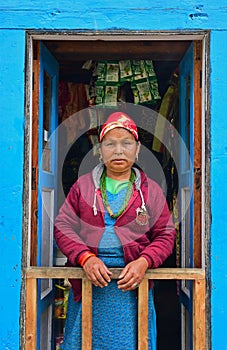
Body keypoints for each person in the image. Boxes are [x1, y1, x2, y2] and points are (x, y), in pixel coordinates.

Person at [54, 111, 176, 350]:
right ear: (100, 150)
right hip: (90, 282)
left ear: (138, 149)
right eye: (110, 144)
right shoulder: (83, 186)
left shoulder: (150, 191)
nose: (118, 151)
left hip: (132, 287)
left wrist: (144, 261)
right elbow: (63, 227)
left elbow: (165, 235)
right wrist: (85, 258)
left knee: (131, 342)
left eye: (126, 143)